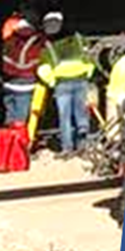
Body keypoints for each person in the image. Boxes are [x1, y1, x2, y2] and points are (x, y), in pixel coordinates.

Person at [35, 11, 97, 155]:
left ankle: (67, 149)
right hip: (81, 80)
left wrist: (51, 81)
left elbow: (43, 68)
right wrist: (88, 73)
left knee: (64, 117)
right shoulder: (78, 39)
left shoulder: (48, 46)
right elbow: (91, 57)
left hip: (62, 84)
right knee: (82, 115)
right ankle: (83, 146)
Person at [0, 10, 42, 141]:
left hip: (8, 83)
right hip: (26, 85)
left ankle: (8, 145)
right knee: (21, 118)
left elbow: (4, 61)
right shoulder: (36, 42)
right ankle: (20, 145)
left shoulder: (8, 41)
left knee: (10, 115)